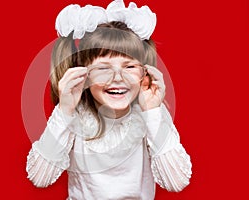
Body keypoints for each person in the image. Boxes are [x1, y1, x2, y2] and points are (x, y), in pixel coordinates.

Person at [26, 0, 192, 199]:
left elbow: (176, 182)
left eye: (129, 67)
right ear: (84, 74)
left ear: (144, 72)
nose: (118, 78)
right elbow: (40, 178)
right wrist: (65, 110)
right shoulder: (76, 114)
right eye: (103, 68)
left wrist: (153, 112)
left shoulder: (150, 111)